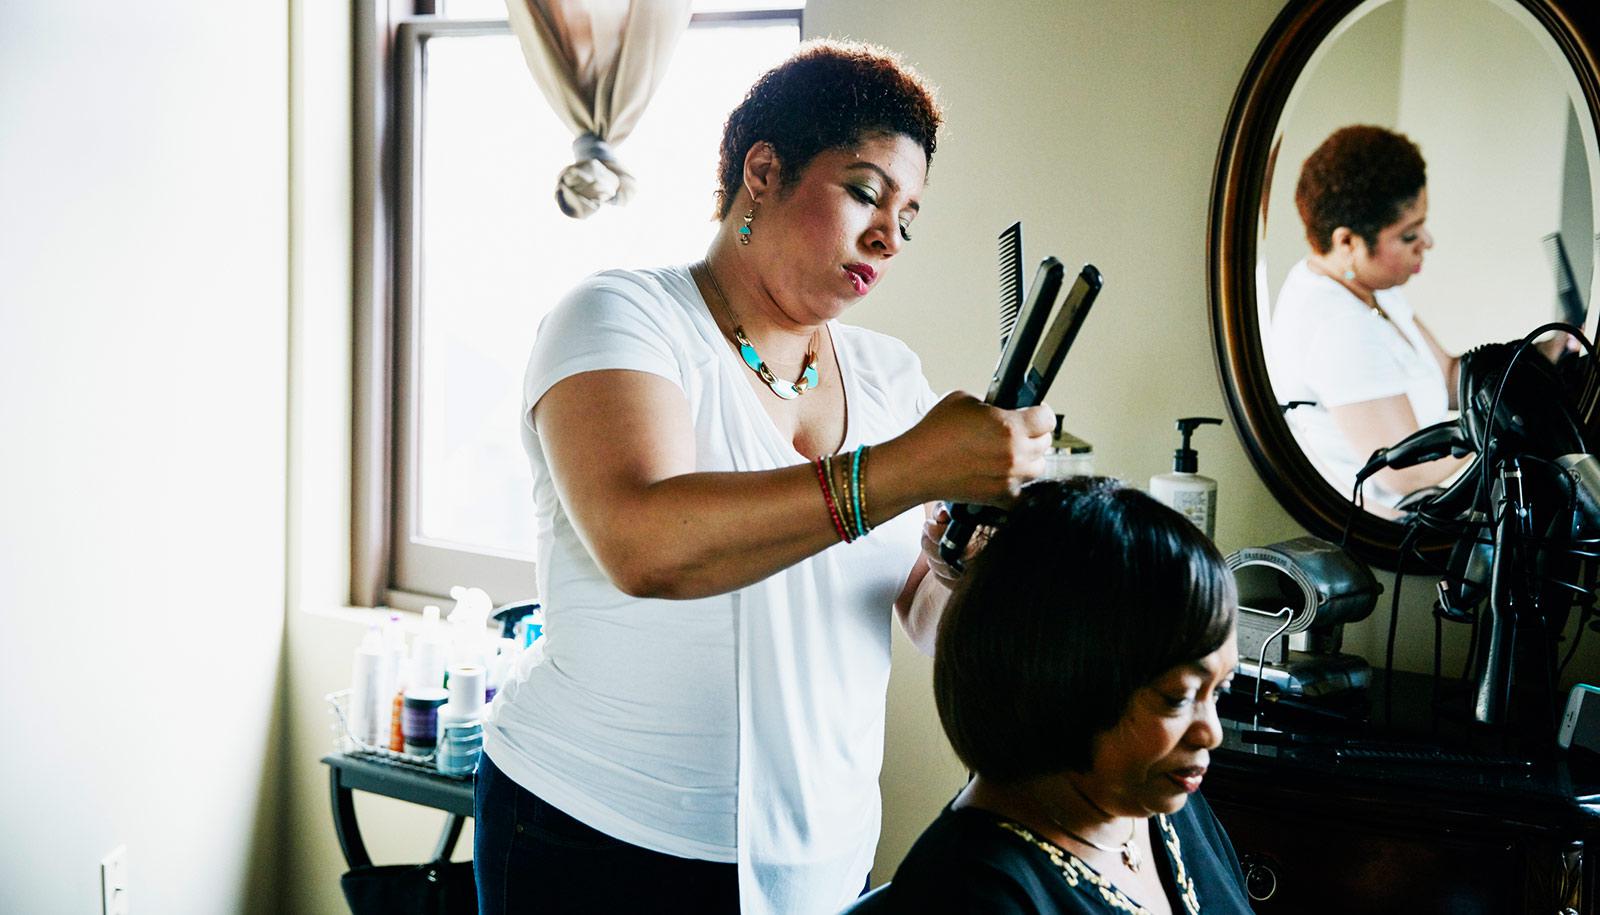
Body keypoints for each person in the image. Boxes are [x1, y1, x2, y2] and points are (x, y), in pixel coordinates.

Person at [474, 39, 1057, 915]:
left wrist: (956, 561)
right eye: (865, 191)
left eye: (909, 216)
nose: (889, 236)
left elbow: (926, 619)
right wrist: (906, 469)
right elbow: (645, 544)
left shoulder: (890, 378)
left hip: (818, 859)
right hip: (594, 836)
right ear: (764, 170)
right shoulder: (621, 318)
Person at [886, 477, 1252, 914]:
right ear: (1064, 682)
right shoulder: (972, 896)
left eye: (1220, 689)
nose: (1211, 733)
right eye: (1177, 698)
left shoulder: (1155, 800)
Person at [1267, 124, 1467, 512]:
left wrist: (1539, 357)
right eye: (1409, 236)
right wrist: (1500, 428)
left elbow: (1446, 378)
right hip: (1379, 545)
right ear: (1346, 242)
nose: (1428, 242)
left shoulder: (1368, 286)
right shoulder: (1335, 325)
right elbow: (1405, 471)